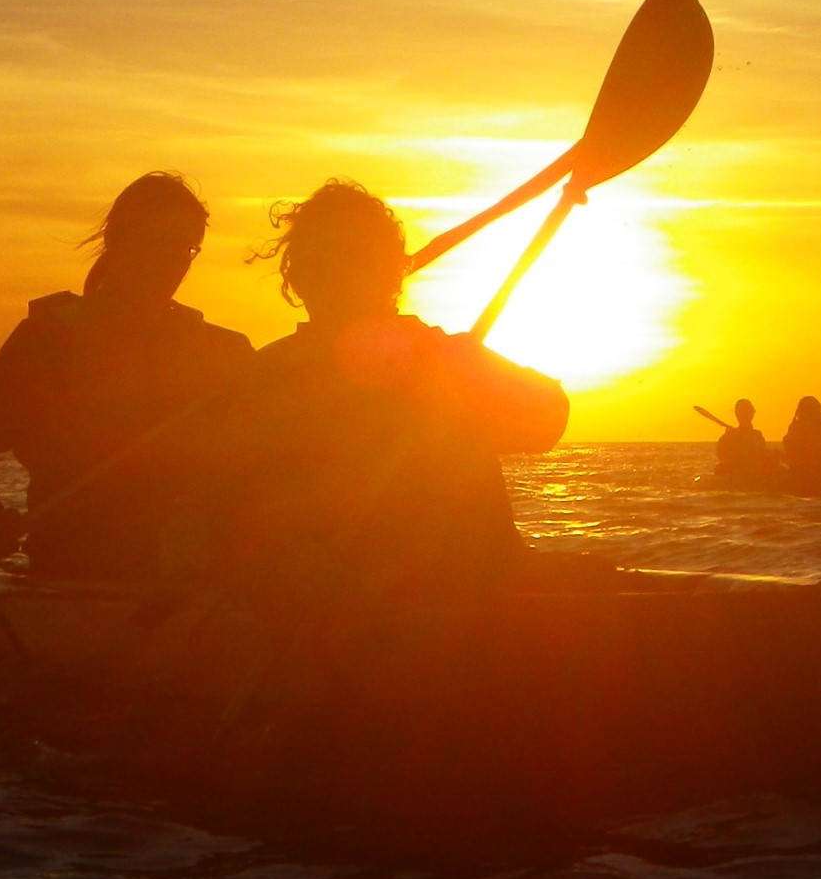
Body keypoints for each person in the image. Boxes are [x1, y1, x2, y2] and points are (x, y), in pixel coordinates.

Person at [183, 179, 567, 615]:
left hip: (447, 599)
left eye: (349, 257)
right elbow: (228, 509)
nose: (337, 273)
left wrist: (468, 378)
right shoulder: (265, 376)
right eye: (326, 258)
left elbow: (548, 418)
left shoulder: (439, 355)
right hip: (354, 613)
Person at [0, 171, 254, 578]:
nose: (170, 262)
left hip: (196, 580)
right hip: (79, 573)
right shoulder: (51, 340)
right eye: (156, 243)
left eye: (185, 248)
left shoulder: (226, 351)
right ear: (117, 241)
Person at [712, 399, 779, 486]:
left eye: (747, 412)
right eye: (743, 413)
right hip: (736, 471)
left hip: (754, 472)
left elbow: (761, 456)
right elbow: (721, 455)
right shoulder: (730, 435)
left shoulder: (757, 435)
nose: (746, 415)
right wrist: (727, 437)